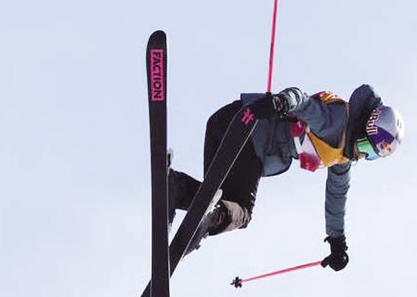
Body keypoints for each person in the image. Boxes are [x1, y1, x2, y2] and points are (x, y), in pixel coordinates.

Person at [168, 84, 404, 271]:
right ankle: (208, 216)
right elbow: (302, 101)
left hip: (225, 121)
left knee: (213, 197)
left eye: (372, 155)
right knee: (241, 211)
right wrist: (281, 102)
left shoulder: (342, 158)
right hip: (248, 131)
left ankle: (177, 188)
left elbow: (337, 195)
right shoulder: (335, 120)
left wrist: (337, 240)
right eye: (366, 145)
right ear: (363, 127)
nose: (362, 154)